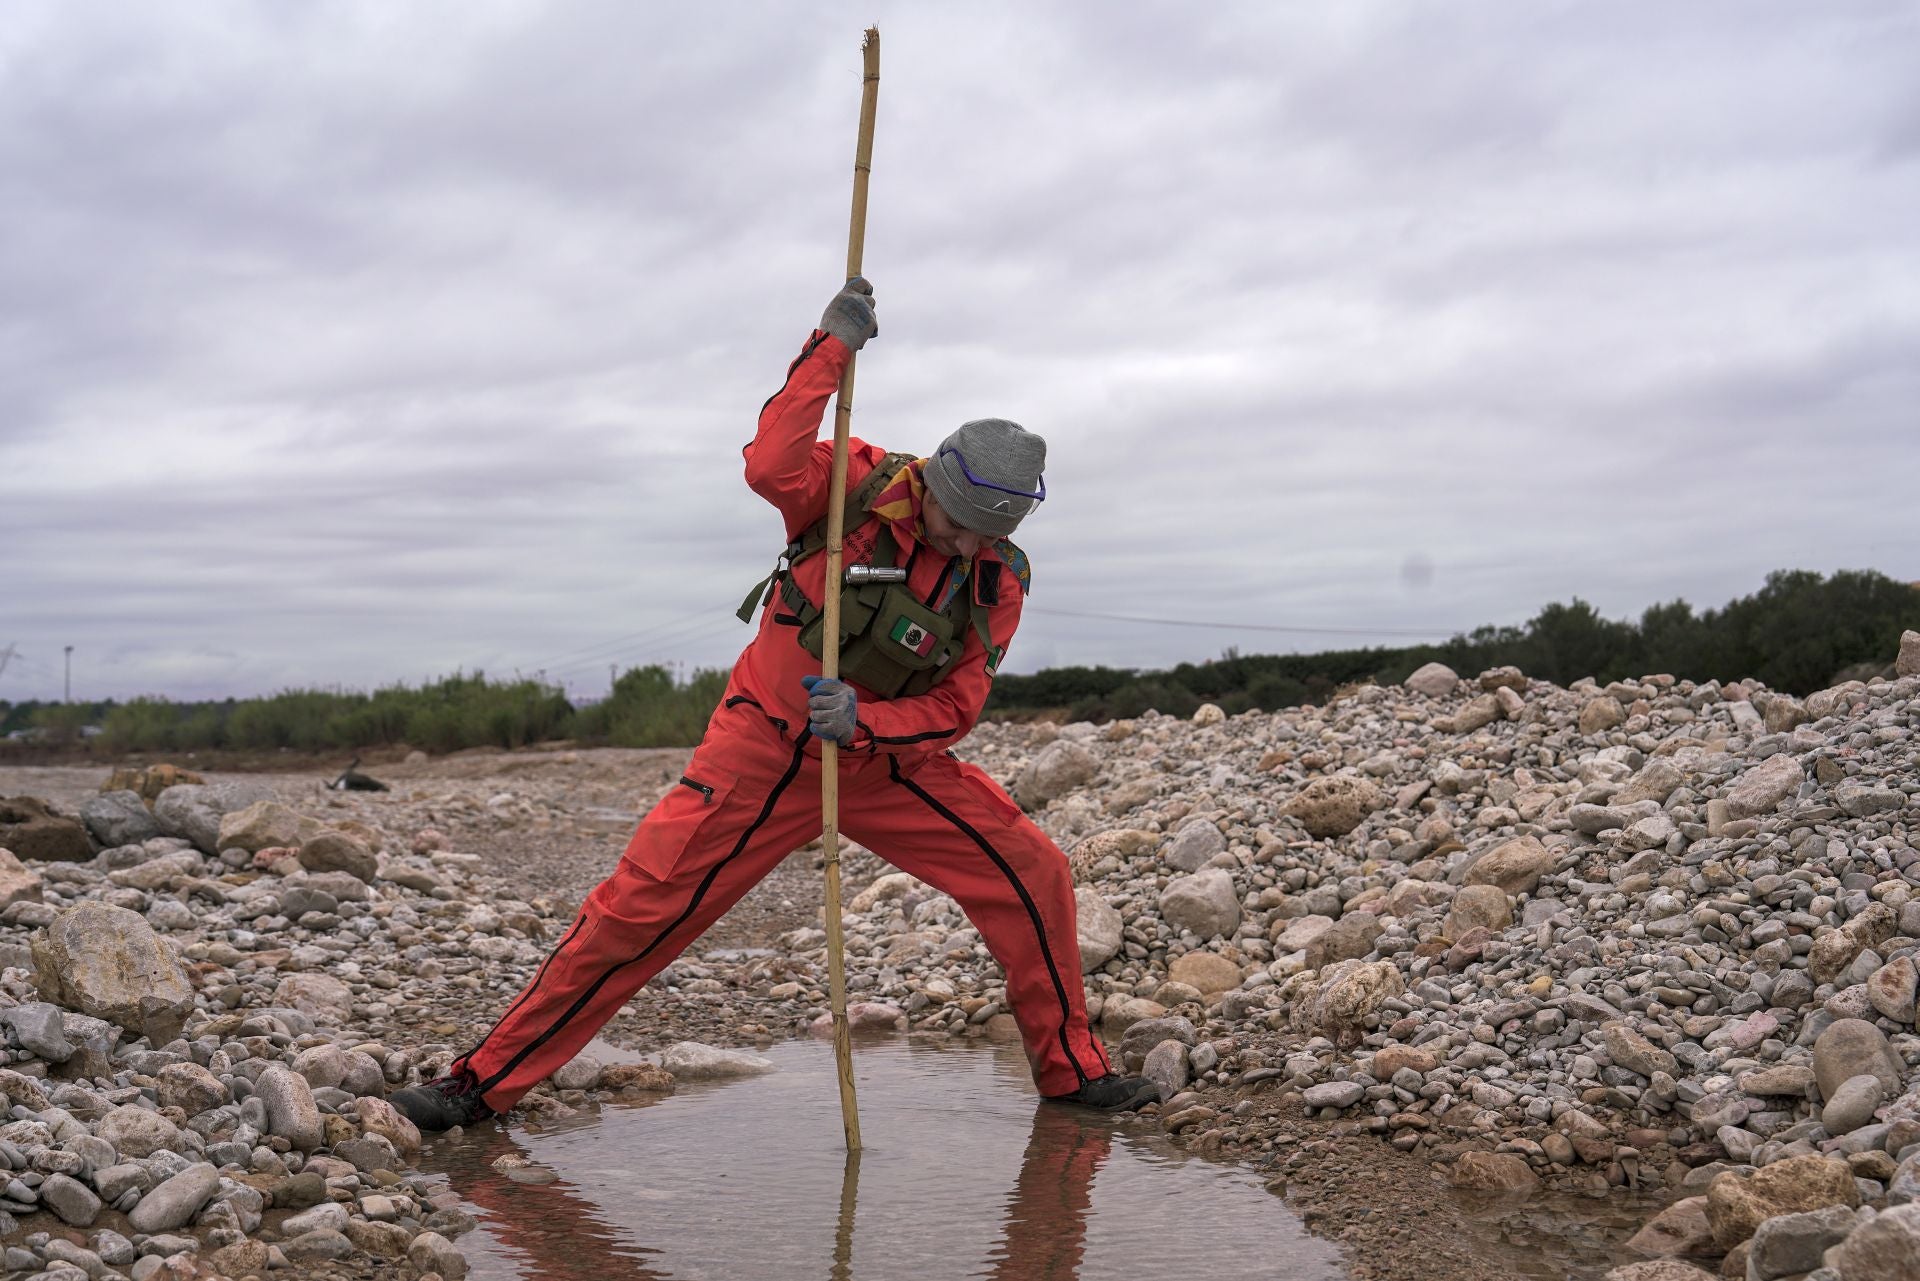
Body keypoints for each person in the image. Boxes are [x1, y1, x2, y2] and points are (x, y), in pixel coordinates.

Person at [392, 279, 1157, 1132]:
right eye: (964, 524)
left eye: (995, 532)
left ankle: (1072, 1074)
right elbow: (767, 461)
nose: (974, 544)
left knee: (1035, 872)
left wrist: (868, 724)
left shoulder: (998, 577)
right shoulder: (849, 490)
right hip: (763, 753)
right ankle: (480, 1084)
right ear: (936, 481)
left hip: (885, 764)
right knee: (633, 914)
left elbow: (957, 703)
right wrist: (832, 346)